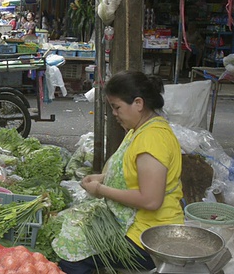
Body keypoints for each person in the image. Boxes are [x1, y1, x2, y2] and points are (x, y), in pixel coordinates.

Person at [55, 71, 183, 274]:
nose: (114, 113)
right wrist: (103, 178)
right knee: (68, 226)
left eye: (117, 107)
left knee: (71, 255)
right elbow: (132, 173)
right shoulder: (139, 129)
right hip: (138, 223)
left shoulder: (152, 139)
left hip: (147, 236)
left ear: (138, 103)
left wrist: (101, 189)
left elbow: (151, 200)